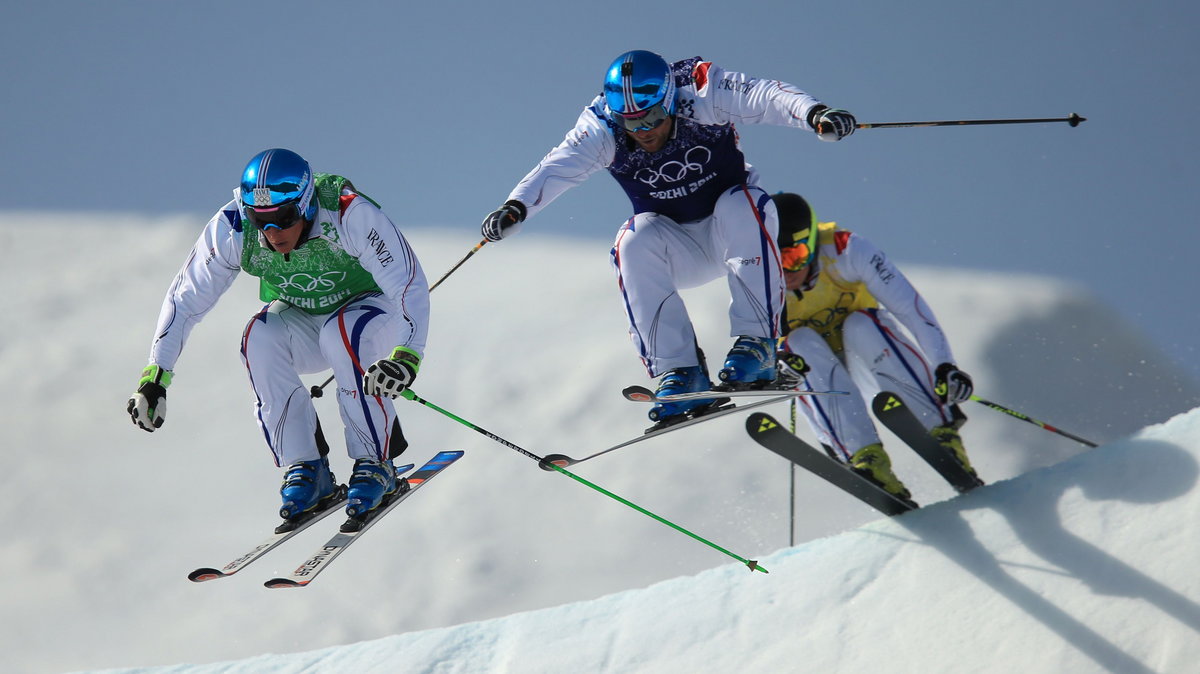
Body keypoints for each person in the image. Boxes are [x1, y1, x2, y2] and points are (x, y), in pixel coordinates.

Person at [479, 49, 858, 428]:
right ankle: (679, 371)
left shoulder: (700, 89)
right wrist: (516, 207)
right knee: (632, 239)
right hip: (679, 249)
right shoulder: (602, 125)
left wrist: (814, 114)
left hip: (736, 234)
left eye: (654, 117)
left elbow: (764, 96)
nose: (644, 130)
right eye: (632, 123)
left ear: (670, 100)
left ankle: (757, 345)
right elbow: (559, 165)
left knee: (742, 202)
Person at [126, 148, 431, 522]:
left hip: (373, 313)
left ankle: (375, 462)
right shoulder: (235, 226)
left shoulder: (346, 212)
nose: (273, 232)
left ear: (305, 205)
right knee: (258, 337)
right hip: (305, 319)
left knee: (341, 334)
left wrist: (407, 355)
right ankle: (308, 469)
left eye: (284, 218)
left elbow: (408, 283)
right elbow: (185, 299)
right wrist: (156, 375)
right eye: (262, 220)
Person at [769, 192, 979, 502]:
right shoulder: (756, 280)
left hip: (872, 360)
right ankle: (867, 458)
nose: (786, 272)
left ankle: (943, 435)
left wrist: (944, 365)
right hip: (823, 388)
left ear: (812, 242)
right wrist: (777, 368)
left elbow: (911, 309)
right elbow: (758, 348)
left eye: (794, 256)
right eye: (776, 260)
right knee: (798, 342)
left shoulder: (846, 250)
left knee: (862, 322)